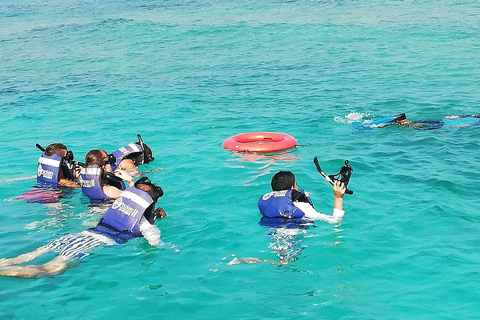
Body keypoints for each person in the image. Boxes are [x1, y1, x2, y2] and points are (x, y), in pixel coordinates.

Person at [0, 177, 167, 279]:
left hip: (77, 235)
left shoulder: (115, 206)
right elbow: (153, 239)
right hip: (89, 243)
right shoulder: (143, 222)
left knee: (25, 257)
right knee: (50, 269)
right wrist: (165, 247)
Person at [258, 171, 346, 228]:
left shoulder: (269, 201)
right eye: (296, 184)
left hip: (273, 234)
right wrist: (338, 197)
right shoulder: (300, 205)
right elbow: (334, 220)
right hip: (292, 238)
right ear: (292, 188)